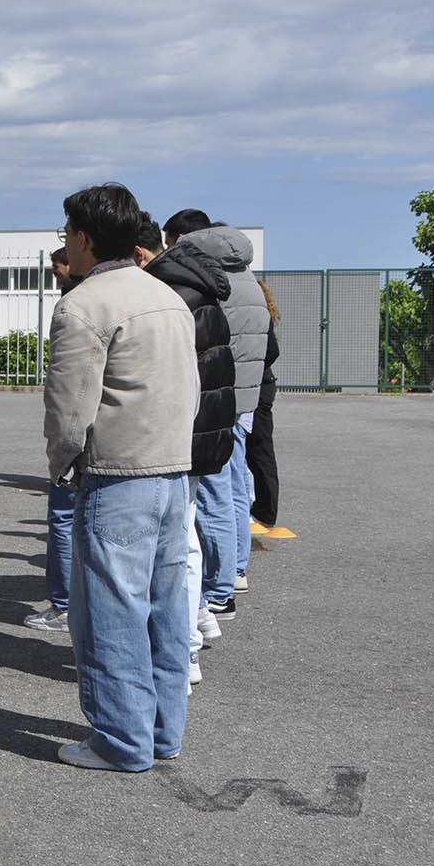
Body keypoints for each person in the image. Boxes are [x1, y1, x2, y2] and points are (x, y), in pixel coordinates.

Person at [45, 183, 198, 772]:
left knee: (110, 609)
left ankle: (119, 739)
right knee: (164, 607)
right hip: (171, 469)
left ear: (83, 239)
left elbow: (70, 405)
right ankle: (162, 732)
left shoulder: (84, 304)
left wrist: (61, 464)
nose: (65, 246)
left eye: (66, 236)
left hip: (116, 472)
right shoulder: (166, 297)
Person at [135, 212, 235, 686]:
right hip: (205, 422)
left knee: (178, 545)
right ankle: (197, 626)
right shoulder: (199, 284)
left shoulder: (169, 291)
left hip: (182, 429)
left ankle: (185, 648)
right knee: (185, 537)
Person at [165, 213, 269, 619]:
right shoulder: (245, 276)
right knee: (235, 490)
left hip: (216, 400)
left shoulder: (210, 282)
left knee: (213, 497)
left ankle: (219, 589)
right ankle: (234, 571)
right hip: (242, 398)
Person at [26, 248, 78, 633]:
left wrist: (61, 449)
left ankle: (64, 605)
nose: (54, 271)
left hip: (82, 440)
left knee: (64, 517)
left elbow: (70, 384)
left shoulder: (76, 303)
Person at [247, 282, 282, 532]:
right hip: (263, 382)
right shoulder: (262, 312)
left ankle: (265, 511)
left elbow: (272, 351)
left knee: (259, 448)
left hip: (259, 383)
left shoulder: (257, 314)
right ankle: (263, 509)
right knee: (259, 448)